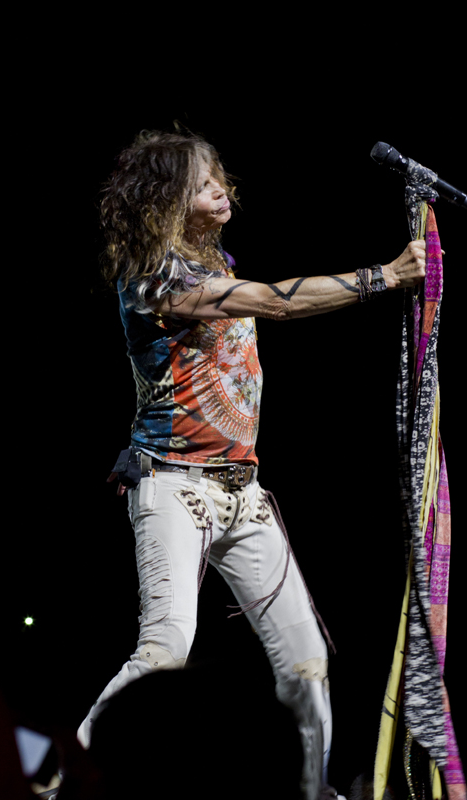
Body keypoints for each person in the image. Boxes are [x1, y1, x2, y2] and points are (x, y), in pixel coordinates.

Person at [77, 129, 426, 799]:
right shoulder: (153, 278)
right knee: (165, 648)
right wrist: (385, 276)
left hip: (243, 492)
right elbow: (270, 301)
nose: (218, 187)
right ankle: (63, 773)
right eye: (200, 181)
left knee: (305, 658)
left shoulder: (215, 263)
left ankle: (308, 789)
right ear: (166, 200)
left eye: (217, 175)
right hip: (174, 488)